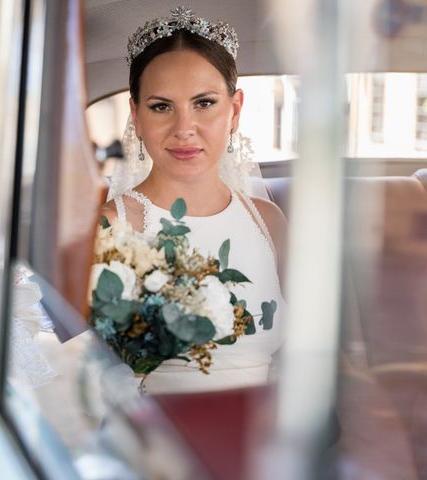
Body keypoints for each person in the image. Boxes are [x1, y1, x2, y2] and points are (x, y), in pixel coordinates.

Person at [101, 7, 288, 394]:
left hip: (262, 440)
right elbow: (93, 375)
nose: (184, 129)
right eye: (161, 106)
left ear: (234, 110)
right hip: (158, 441)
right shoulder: (112, 228)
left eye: (204, 103)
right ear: (136, 115)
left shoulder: (268, 222)